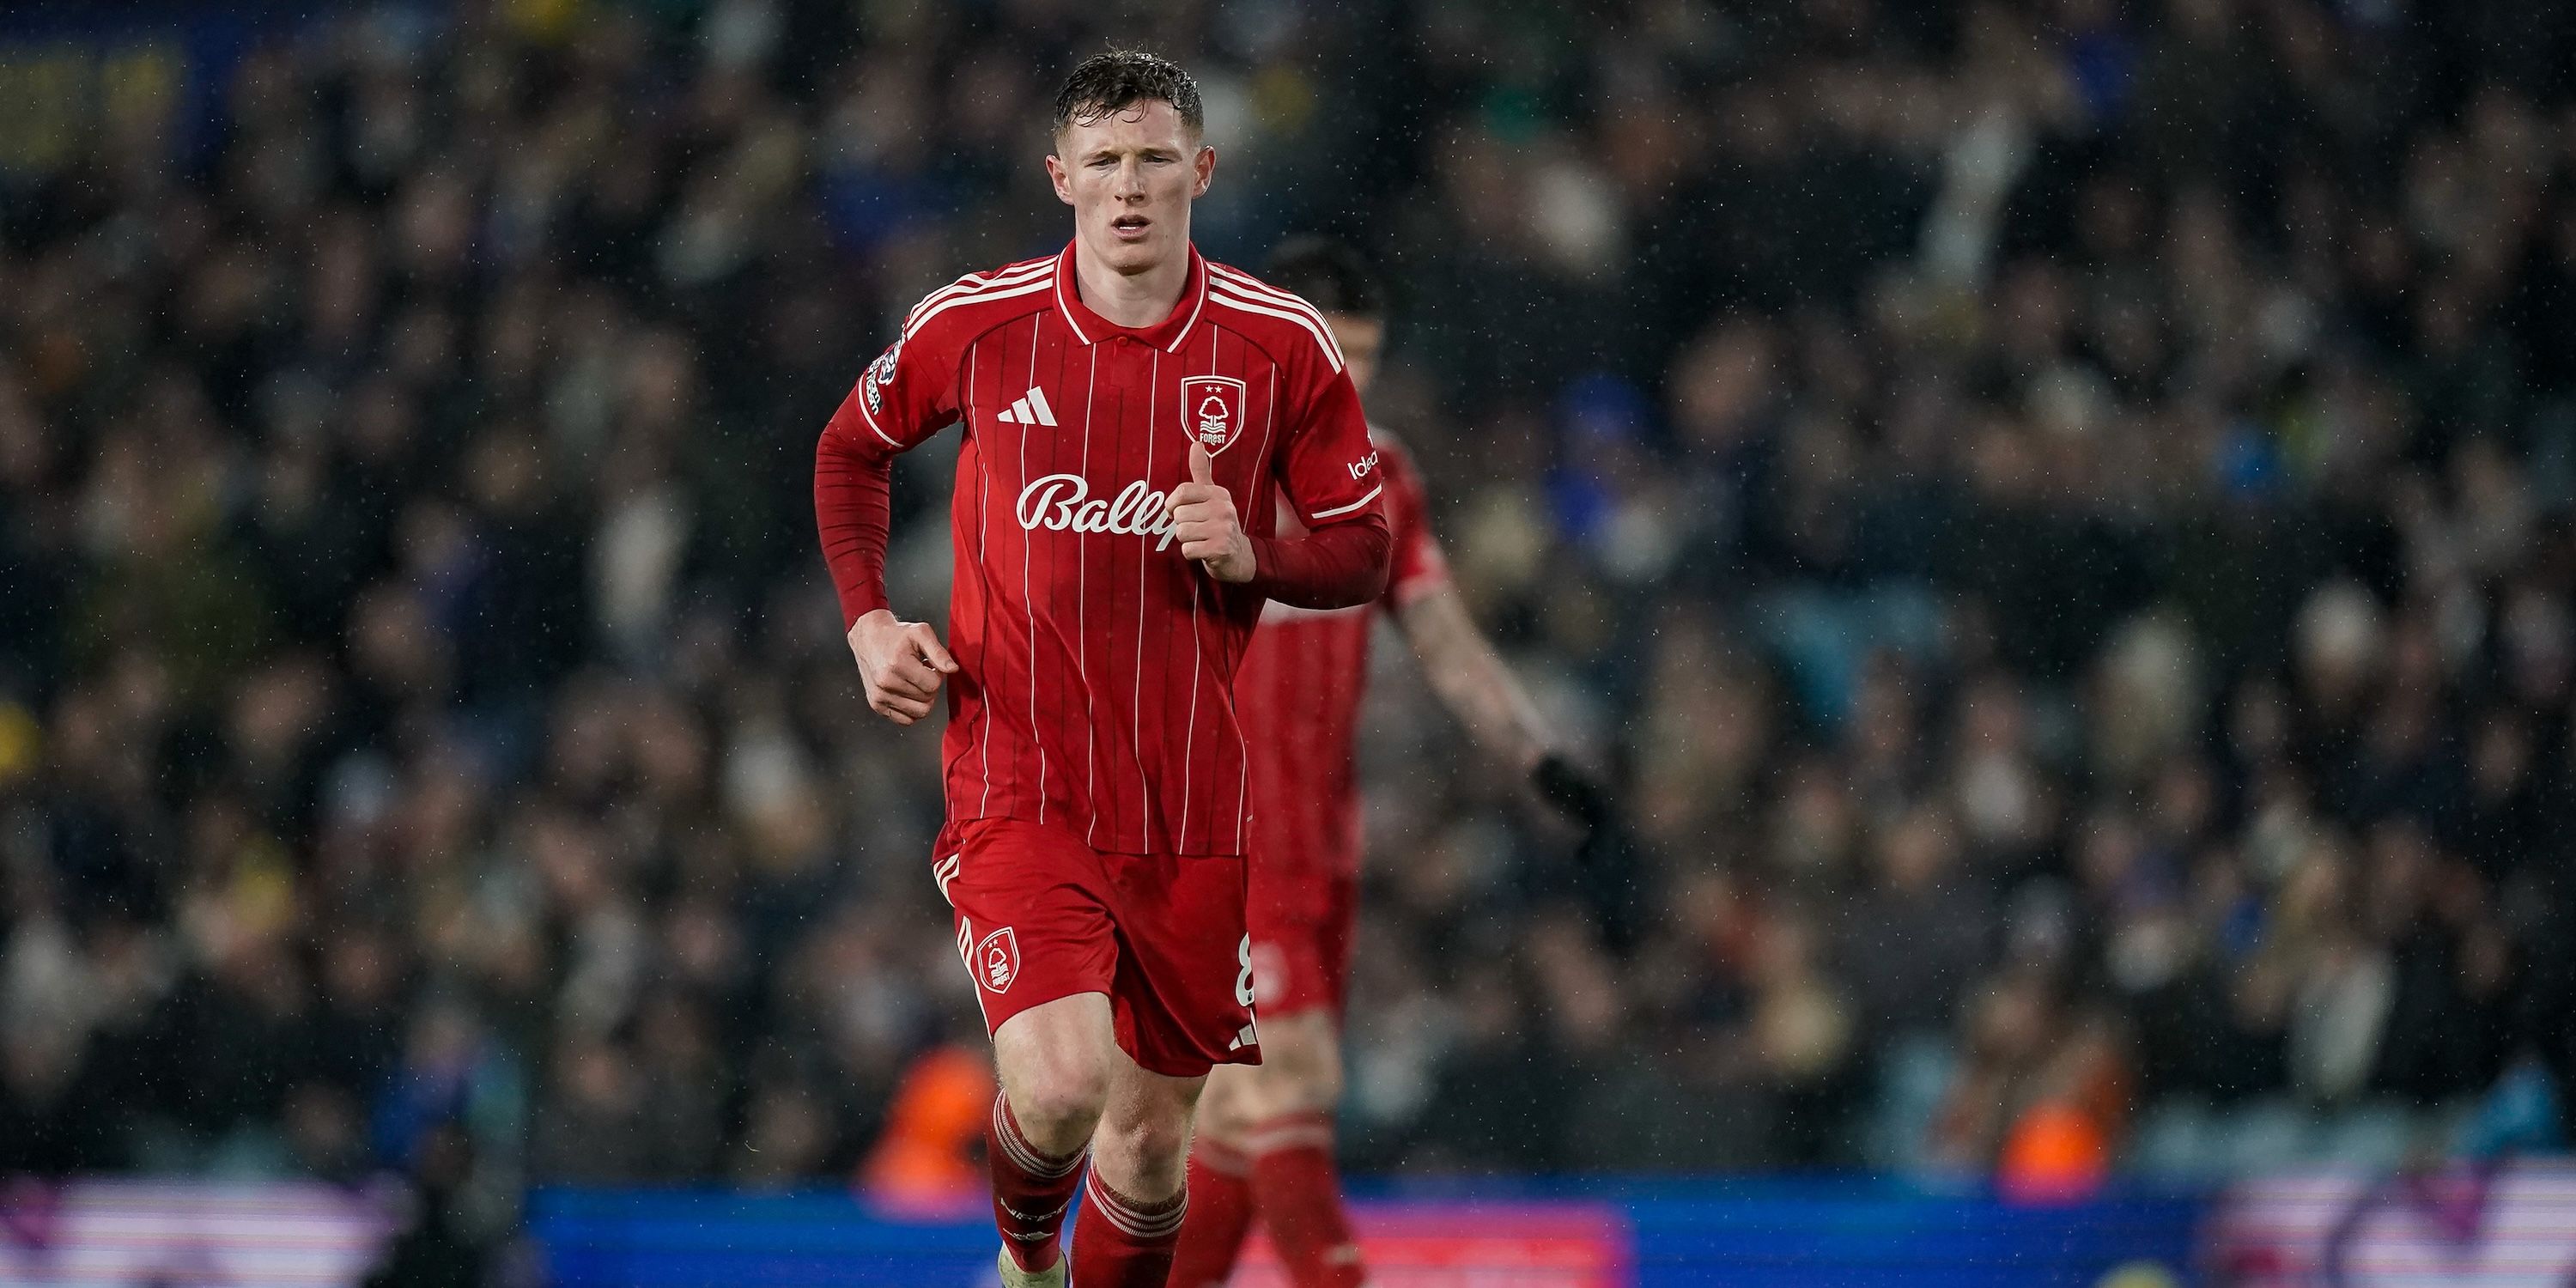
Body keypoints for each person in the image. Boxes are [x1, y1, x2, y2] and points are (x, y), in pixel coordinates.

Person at [811, 51, 1392, 1288]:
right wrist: (867, 622)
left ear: (1203, 171)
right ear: (1060, 176)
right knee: (1064, 1084)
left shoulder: (1279, 344)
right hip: (1020, 779)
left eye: (1154, 159)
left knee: (1148, 1145)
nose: (1130, 186)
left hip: (1190, 805)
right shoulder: (978, 324)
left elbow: (1362, 546)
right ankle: (1029, 1265)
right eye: (1106, 161)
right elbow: (849, 450)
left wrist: (1258, 553)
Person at [1169, 236, 1607, 1288]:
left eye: (1368, 355)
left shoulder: (1385, 477)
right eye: (1335, 351)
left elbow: (1443, 639)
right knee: (1292, 1079)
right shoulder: (1188, 463)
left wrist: (1536, 750)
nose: (1352, 378)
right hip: (1215, 838)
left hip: (1321, 844)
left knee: (1234, 1116)